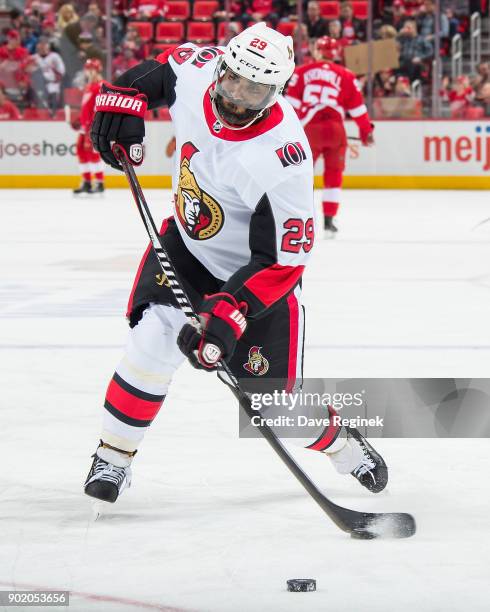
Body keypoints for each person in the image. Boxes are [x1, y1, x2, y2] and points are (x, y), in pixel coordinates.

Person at [83, 23, 387, 504]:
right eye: (232, 81)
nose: (237, 98)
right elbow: (152, 73)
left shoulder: (283, 157)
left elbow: (283, 261)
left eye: (256, 90)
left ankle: (344, 444)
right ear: (221, 67)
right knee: (149, 346)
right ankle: (114, 454)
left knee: (275, 407)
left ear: (279, 90)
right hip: (186, 248)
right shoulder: (198, 70)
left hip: (252, 283)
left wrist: (228, 312)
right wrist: (121, 103)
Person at [286, 36, 374, 236]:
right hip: (336, 130)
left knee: (302, 174)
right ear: (336, 54)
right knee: (333, 175)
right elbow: (358, 109)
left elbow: (291, 105)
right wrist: (366, 131)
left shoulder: (301, 72)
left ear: (317, 50)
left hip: (310, 129)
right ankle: (329, 220)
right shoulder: (347, 75)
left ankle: (300, 217)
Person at [73, 58, 105, 194]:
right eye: (87, 69)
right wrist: (79, 120)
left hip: (93, 126)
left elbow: (99, 108)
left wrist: (94, 125)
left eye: (92, 69)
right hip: (84, 125)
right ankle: (86, 181)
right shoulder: (88, 86)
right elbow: (86, 107)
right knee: (80, 150)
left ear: (97, 70)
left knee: (92, 153)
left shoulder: (101, 86)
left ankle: (99, 182)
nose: (89, 72)